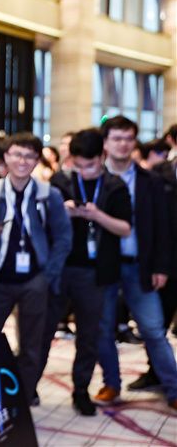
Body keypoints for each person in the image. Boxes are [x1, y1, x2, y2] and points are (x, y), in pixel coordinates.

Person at [38, 128, 132, 416]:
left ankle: (81, 390)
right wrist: (61, 212)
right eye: (77, 165)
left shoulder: (115, 186)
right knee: (43, 330)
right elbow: (41, 222)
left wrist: (97, 216)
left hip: (95, 272)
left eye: (89, 165)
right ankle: (28, 387)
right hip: (60, 267)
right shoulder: (60, 181)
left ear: (102, 157)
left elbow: (125, 229)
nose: (84, 171)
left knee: (89, 336)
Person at [0, 133, 72, 406]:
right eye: (17, 154)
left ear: (37, 160)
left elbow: (64, 238)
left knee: (32, 344)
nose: (22, 161)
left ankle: (24, 394)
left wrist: (48, 275)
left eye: (30, 156)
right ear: (6, 156)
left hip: (35, 279)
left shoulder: (48, 194)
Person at [94, 116, 176, 411]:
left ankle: (174, 388)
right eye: (116, 138)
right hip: (103, 267)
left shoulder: (150, 180)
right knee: (104, 329)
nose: (123, 144)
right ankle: (111, 384)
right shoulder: (94, 178)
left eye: (128, 138)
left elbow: (163, 227)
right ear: (105, 142)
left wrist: (162, 267)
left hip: (140, 265)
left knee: (153, 329)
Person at [129, 152, 177, 391]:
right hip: (168, 263)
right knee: (157, 325)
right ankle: (156, 373)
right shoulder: (159, 174)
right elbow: (156, 222)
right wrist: (158, 264)